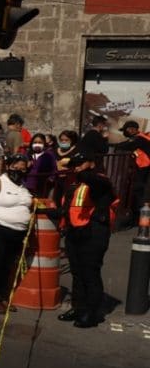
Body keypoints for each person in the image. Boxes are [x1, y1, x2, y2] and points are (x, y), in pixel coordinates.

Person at [57, 151, 117, 328]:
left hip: (94, 233)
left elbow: (95, 182)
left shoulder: (100, 181)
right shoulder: (75, 184)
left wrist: (79, 168)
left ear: (91, 163)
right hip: (75, 233)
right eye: (74, 165)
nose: (75, 167)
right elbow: (67, 209)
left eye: (80, 163)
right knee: (77, 273)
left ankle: (92, 313)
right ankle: (78, 308)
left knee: (90, 273)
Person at [0, 154, 34, 315]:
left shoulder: (23, 187)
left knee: (7, 266)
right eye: (15, 167)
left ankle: (1, 297)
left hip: (17, 233)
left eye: (23, 168)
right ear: (8, 166)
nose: (18, 171)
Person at [117, 120, 150, 217]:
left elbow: (126, 145)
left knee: (139, 190)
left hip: (144, 169)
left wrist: (109, 145)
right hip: (143, 169)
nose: (125, 133)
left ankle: (141, 216)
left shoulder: (139, 138)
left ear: (132, 129)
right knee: (140, 190)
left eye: (126, 130)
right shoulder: (139, 138)